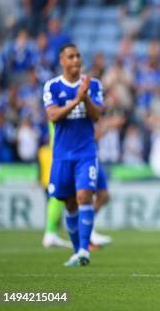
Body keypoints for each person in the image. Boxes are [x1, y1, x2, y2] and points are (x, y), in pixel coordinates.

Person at [43, 44, 104, 266]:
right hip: (61, 155)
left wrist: (85, 97)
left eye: (78, 56)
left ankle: (84, 251)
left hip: (85, 152)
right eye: (71, 56)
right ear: (62, 60)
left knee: (84, 197)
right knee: (69, 203)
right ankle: (78, 249)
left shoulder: (93, 85)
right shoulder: (52, 86)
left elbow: (97, 116)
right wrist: (75, 101)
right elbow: (53, 115)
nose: (76, 60)